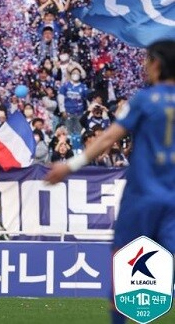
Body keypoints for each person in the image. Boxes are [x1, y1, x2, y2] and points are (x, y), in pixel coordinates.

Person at [45, 40, 175, 324]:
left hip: (142, 198)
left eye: (146, 60)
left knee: (126, 266)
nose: (144, 66)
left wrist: (71, 165)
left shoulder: (145, 99)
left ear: (157, 64)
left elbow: (107, 137)